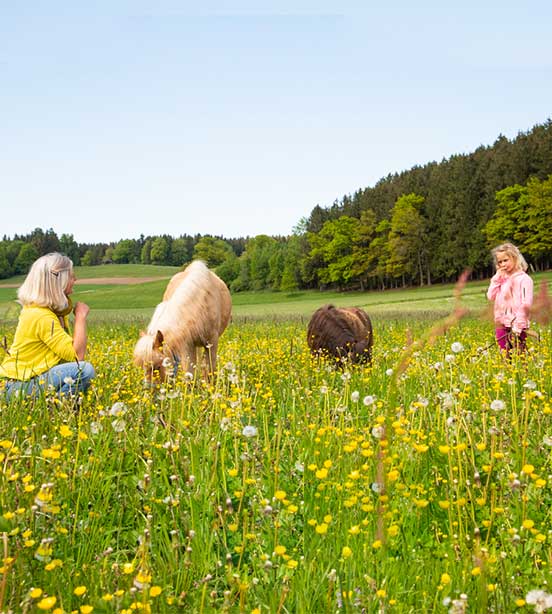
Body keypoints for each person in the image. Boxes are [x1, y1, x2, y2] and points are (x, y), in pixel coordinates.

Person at [0, 252, 95, 400]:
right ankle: (56, 409)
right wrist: (81, 317)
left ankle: (54, 406)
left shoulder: (52, 312)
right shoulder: (41, 316)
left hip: (26, 382)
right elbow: (77, 357)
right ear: (58, 281)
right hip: (15, 386)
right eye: (71, 276)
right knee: (84, 371)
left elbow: (68, 359)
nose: (75, 279)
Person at [486, 242, 533, 354]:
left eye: (505, 260)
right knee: (504, 353)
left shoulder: (524, 279)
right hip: (501, 322)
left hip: (517, 324)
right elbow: (490, 296)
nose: (503, 264)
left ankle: (524, 371)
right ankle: (506, 370)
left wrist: (519, 325)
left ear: (515, 258)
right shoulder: (501, 279)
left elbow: (526, 304)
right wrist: (496, 279)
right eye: (500, 262)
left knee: (520, 354)